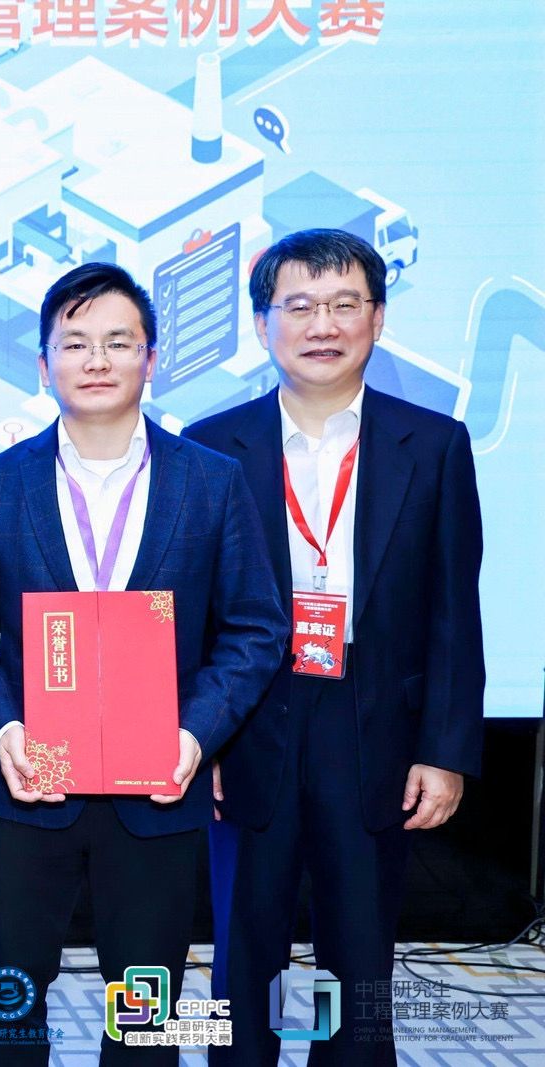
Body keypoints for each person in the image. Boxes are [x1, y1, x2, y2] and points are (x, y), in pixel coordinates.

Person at [0, 263, 287, 1064]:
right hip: (28, 787)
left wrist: (195, 736)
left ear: (151, 358)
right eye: (75, 343)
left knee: (144, 1014)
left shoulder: (212, 481)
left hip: (157, 789)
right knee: (10, 1005)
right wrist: (5, 730)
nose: (96, 360)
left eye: (118, 341)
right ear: (43, 365)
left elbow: (255, 627)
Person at [187, 229, 484, 1064]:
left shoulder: (434, 445)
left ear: (378, 319)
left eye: (345, 304)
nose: (324, 325)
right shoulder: (208, 444)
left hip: (373, 721)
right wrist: (200, 734)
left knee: (359, 955)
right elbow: (187, 611)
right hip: (249, 717)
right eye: (300, 305)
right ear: (263, 324)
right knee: (244, 949)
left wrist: (445, 751)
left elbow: (453, 612)